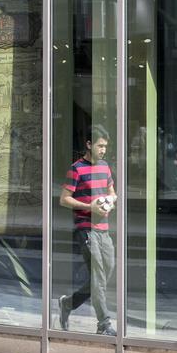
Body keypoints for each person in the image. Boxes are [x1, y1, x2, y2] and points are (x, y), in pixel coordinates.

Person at [58, 125, 117, 336]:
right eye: (100, 146)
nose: (103, 150)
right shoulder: (76, 169)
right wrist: (88, 207)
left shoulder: (105, 167)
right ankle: (104, 324)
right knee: (98, 276)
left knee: (105, 272)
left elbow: (112, 193)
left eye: (105, 147)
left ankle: (68, 304)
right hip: (86, 229)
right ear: (89, 144)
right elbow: (64, 199)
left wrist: (110, 201)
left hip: (104, 229)